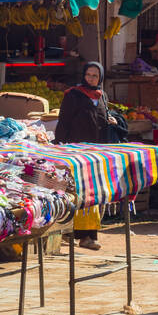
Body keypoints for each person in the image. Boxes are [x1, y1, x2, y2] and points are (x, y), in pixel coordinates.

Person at [55, 61, 113, 249]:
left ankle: (89, 236)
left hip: (96, 154)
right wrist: (59, 145)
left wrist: (110, 120)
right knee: (77, 192)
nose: (91, 78)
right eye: (88, 75)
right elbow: (63, 122)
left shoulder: (102, 96)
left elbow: (101, 117)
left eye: (95, 76)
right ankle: (75, 234)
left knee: (93, 194)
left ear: (100, 78)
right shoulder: (73, 95)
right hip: (76, 152)